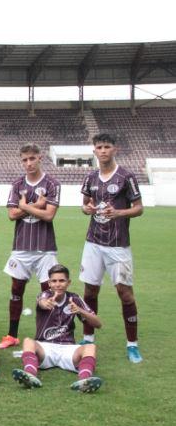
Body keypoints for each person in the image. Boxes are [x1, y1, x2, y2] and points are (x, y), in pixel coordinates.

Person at [79, 133, 144, 363]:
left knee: (125, 294)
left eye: (107, 146)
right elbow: (85, 204)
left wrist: (119, 212)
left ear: (114, 149)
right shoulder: (90, 177)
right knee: (90, 292)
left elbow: (139, 208)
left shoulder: (127, 176)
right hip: (93, 243)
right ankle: (88, 338)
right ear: (94, 151)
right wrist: (87, 209)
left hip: (118, 244)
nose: (103, 150)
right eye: (99, 147)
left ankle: (132, 345)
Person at [0, 143, 61, 350]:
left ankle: (46, 334)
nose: (28, 163)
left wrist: (23, 206)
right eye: (24, 160)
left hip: (45, 248)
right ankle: (12, 335)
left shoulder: (52, 184)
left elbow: (49, 215)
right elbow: (11, 214)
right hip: (21, 247)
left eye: (32, 158)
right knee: (16, 290)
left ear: (39, 158)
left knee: (48, 291)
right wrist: (32, 206)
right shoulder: (17, 185)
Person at [12, 265, 103, 393]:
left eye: (62, 281)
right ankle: (29, 375)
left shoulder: (74, 299)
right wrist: (45, 303)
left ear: (68, 282)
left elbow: (98, 324)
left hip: (68, 349)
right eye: (54, 281)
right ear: (49, 283)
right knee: (28, 341)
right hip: (45, 348)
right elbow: (42, 301)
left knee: (90, 347)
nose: (58, 284)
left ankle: (85, 380)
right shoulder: (44, 295)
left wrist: (81, 311)